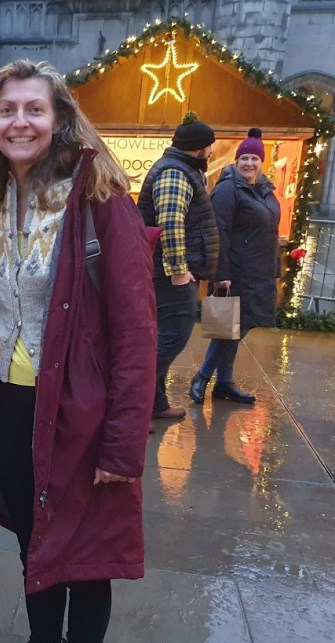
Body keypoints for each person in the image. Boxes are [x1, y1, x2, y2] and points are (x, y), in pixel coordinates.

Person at [0, 60, 156, 643]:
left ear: (60, 116)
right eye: (7, 110)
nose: (20, 122)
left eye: (33, 109)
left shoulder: (101, 199)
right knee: (35, 539)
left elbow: (136, 331)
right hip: (9, 399)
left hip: (81, 410)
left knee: (85, 553)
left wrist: (124, 445)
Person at [188, 128, 281, 406]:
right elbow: (220, 233)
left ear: (261, 162)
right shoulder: (228, 189)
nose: (249, 163)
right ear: (237, 161)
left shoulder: (264, 189)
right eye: (245, 158)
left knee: (241, 327)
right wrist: (221, 274)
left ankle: (224, 383)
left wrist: (275, 269)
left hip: (259, 271)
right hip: (238, 271)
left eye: (254, 158)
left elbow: (270, 232)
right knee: (232, 327)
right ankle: (203, 376)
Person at [136, 113, 219, 420]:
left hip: (168, 271)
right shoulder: (175, 173)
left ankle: (154, 405)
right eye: (209, 146)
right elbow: (170, 224)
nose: (211, 151)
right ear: (200, 148)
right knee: (173, 335)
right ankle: (129, 407)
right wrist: (178, 270)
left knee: (163, 338)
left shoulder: (184, 170)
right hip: (169, 274)